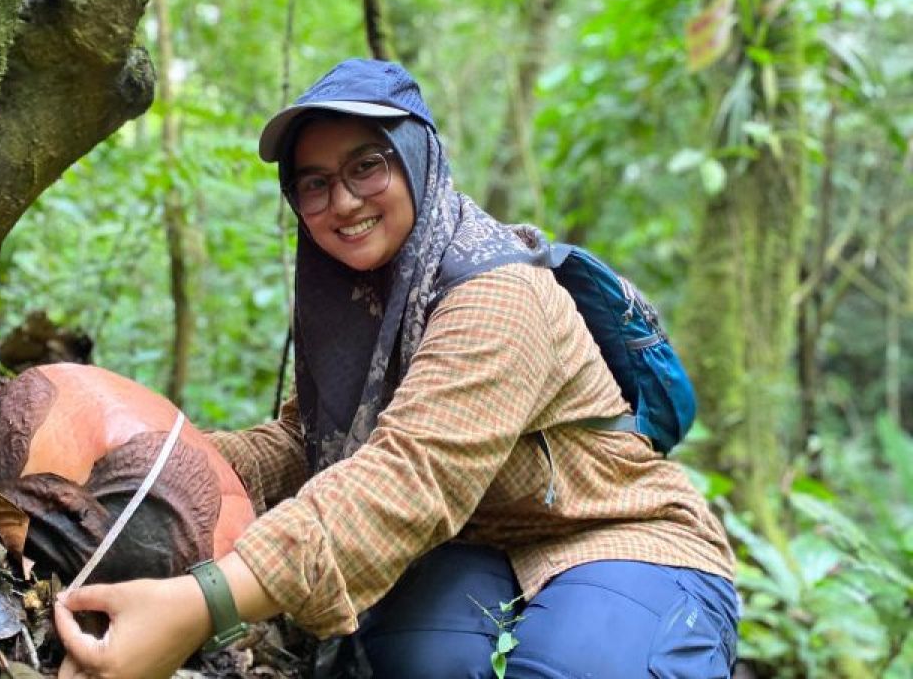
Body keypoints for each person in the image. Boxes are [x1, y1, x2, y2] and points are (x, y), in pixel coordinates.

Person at [55, 59, 739, 678]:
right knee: (417, 663)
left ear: (417, 160)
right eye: (314, 184)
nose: (342, 202)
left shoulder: (499, 296)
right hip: (469, 542)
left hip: (617, 528)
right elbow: (303, 444)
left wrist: (203, 604)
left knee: (574, 669)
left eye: (366, 167)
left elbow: (408, 476)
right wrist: (157, 463)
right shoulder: (364, 302)